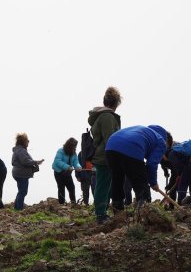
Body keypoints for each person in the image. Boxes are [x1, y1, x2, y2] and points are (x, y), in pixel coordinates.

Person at [104, 125, 170, 212]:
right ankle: (144, 212)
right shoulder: (161, 141)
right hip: (132, 148)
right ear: (167, 141)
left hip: (110, 147)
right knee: (141, 185)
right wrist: (153, 182)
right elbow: (151, 164)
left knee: (117, 180)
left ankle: (118, 211)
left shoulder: (145, 131)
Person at [88, 86, 123, 223]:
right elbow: (110, 138)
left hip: (103, 155)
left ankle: (102, 212)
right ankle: (100, 215)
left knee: (105, 185)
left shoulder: (103, 115)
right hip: (105, 156)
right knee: (103, 185)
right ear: (116, 103)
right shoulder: (107, 116)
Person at [11, 133, 44, 210]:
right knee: (23, 191)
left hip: (18, 173)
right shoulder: (21, 150)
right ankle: (19, 209)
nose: (28, 142)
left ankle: (17, 207)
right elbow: (25, 161)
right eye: (27, 140)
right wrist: (36, 162)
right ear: (23, 142)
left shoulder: (19, 150)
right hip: (21, 174)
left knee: (21, 191)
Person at [52, 138, 83, 205]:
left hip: (67, 173)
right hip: (58, 172)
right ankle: (61, 204)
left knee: (71, 187)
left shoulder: (74, 153)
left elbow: (76, 162)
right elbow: (57, 161)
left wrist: (78, 167)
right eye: (74, 146)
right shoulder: (60, 151)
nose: (75, 147)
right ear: (69, 145)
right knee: (61, 187)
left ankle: (73, 203)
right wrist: (67, 167)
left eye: (75, 146)